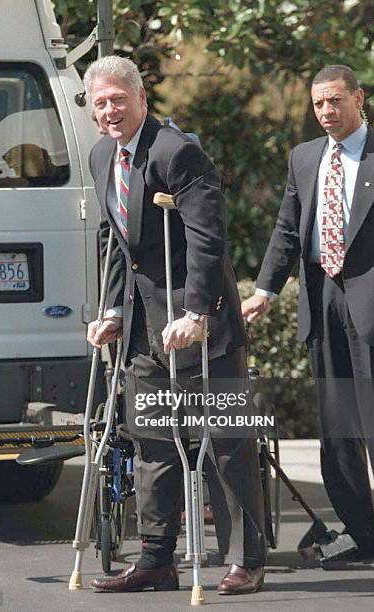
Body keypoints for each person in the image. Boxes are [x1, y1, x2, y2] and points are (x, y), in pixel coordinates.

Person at [85, 55, 267, 595]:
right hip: (144, 329)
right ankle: (155, 559)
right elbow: (114, 241)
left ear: (142, 99)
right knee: (153, 441)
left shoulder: (177, 151)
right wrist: (112, 310)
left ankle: (244, 559)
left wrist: (196, 313)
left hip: (199, 323)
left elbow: (208, 240)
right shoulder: (102, 156)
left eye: (119, 99)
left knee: (226, 441)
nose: (111, 110)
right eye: (101, 103)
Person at [242, 65, 374, 561]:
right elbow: (288, 230)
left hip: (370, 303)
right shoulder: (304, 158)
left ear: (359, 99)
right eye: (318, 104)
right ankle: (363, 534)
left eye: (336, 101)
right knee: (338, 430)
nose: (326, 112)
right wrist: (264, 291)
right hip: (322, 304)